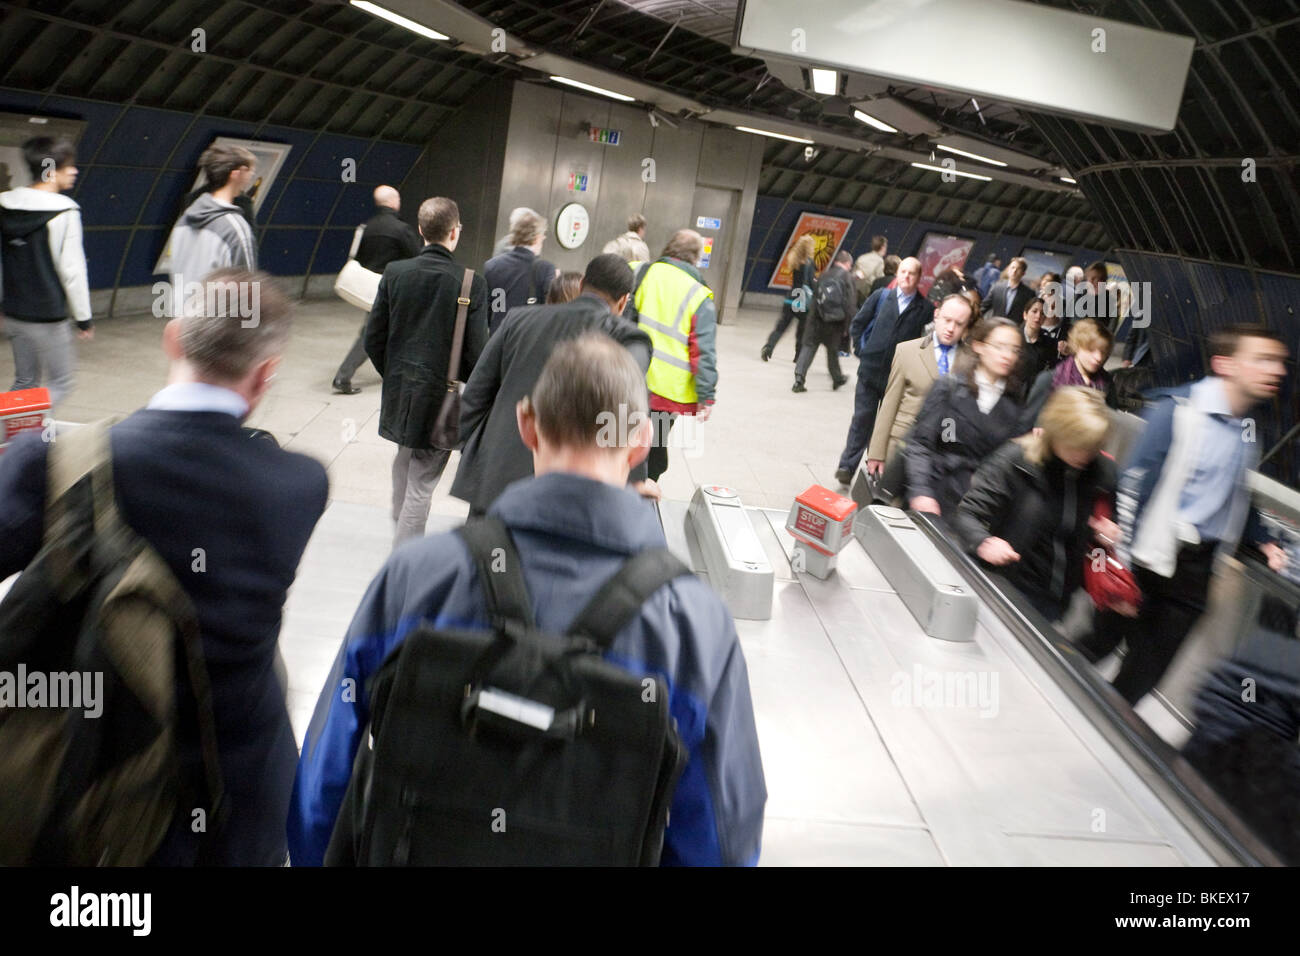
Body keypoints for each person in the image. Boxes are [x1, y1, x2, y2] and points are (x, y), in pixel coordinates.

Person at [288, 334, 767, 866]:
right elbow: (724, 827)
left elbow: (326, 775)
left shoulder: (417, 575)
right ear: (639, 445)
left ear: (527, 424)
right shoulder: (694, 622)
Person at [0, 269, 328, 865]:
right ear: (264, 375)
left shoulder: (50, 467)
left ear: (173, 339)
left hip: (88, 789)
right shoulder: (299, 486)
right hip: (237, 802)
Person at [1074, 324, 1290, 705]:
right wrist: (1122, 568)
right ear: (1225, 364)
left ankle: (1101, 738)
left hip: (1196, 572)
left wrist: (1262, 538)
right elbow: (1133, 486)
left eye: (1278, 362)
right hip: (1147, 557)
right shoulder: (1179, 412)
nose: (1277, 370)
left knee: (1145, 672)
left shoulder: (1246, 428)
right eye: (1263, 360)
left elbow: (1236, 488)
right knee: (1098, 643)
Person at [451, 253, 652, 516]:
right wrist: (632, 484)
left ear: (581, 286)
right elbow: (629, 417)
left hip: (495, 481)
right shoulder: (627, 340)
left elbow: (475, 397)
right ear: (624, 301)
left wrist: (476, 455)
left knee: (488, 556)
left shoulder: (517, 320)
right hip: (571, 497)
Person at [365, 197, 489, 549]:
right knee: (422, 480)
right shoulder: (470, 283)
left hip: (402, 393)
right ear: (455, 232)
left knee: (405, 459)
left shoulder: (395, 273)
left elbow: (374, 338)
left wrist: (395, 375)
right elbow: (477, 352)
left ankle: (399, 524)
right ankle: (404, 560)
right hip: (441, 398)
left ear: (420, 230)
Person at [953, 387, 1119, 622]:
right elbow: (967, 513)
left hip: (1058, 603)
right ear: (1056, 431)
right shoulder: (1015, 461)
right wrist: (983, 542)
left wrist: (1105, 542)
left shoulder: (1101, 473)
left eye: (1091, 447)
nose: (1084, 455)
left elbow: (1098, 549)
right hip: (1006, 590)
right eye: (1076, 444)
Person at [0, 136, 92, 405]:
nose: (74, 171)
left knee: (25, 382)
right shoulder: (65, 211)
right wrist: (84, 318)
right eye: (69, 166)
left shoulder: (4, 205)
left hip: (14, 312)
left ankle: (9, 437)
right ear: (52, 171)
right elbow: (72, 271)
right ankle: (25, 440)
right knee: (60, 384)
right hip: (47, 315)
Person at [905, 317, 1026, 516]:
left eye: (1014, 350)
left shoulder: (1013, 404)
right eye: (1000, 347)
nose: (1007, 356)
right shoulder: (949, 388)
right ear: (979, 346)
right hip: (934, 495)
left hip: (973, 507)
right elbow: (920, 443)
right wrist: (920, 491)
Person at [833, 256, 933, 486]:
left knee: (886, 425)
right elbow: (858, 323)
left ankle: (874, 469)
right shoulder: (881, 297)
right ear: (897, 274)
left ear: (919, 278)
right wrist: (862, 349)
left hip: (897, 378)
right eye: (903, 272)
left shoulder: (925, 309)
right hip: (870, 371)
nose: (906, 276)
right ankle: (847, 466)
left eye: (912, 273)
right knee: (862, 420)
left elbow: (924, 343)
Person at [630, 229, 717, 482]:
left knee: (618, 436)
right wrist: (706, 395)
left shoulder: (639, 271)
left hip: (629, 374)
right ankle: (646, 490)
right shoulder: (698, 293)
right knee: (654, 444)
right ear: (695, 259)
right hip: (665, 392)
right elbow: (703, 349)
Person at [864, 293, 976, 487]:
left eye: (959, 324)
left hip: (940, 455)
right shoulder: (907, 351)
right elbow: (889, 404)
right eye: (947, 320)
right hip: (900, 445)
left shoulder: (971, 362)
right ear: (936, 315)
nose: (951, 328)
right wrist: (876, 453)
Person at [330, 185, 421, 394]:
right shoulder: (401, 229)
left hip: (369, 287)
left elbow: (356, 258)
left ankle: (394, 372)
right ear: (393, 201)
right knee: (372, 333)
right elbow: (417, 258)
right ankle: (343, 376)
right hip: (393, 288)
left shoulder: (366, 227)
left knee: (390, 330)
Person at [160, 144, 258, 316]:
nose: (252, 176)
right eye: (250, 170)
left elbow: (176, 269)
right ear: (237, 173)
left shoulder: (183, 222)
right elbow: (245, 282)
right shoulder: (235, 225)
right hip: (218, 326)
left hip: (183, 318)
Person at [483, 208, 558, 334]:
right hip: (526, 338)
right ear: (536, 238)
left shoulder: (492, 266)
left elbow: (490, 308)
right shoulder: (545, 269)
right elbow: (551, 311)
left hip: (497, 336)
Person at [793, 249, 855, 392]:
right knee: (832, 351)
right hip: (835, 322)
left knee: (808, 347)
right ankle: (837, 379)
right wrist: (848, 326)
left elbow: (815, 299)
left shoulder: (824, 275)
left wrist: (810, 320)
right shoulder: (847, 277)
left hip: (816, 319)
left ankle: (799, 379)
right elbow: (850, 304)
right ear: (847, 263)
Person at [762, 234, 815, 363]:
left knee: (781, 326)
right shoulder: (809, 262)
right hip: (802, 299)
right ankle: (798, 356)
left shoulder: (794, 260)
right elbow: (809, 282)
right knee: (802, 329)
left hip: (791, 296)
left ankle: (768, 347)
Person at [981, 256, 1034, 323]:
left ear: (1023, 273)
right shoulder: (997, 287)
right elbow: (984, 307)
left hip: (1014, 329)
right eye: (1012, 268)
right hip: (995, 326)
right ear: (1008, 269)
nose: (1014, 271)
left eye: (1018, 269)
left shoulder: (1028, 293)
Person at [853, 234, 888, 300]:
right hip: (865, 295)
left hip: (854, 290)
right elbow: (879, 281)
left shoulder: (862, 257)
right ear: (883, 247)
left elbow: (854, 273)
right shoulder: (880, 261)